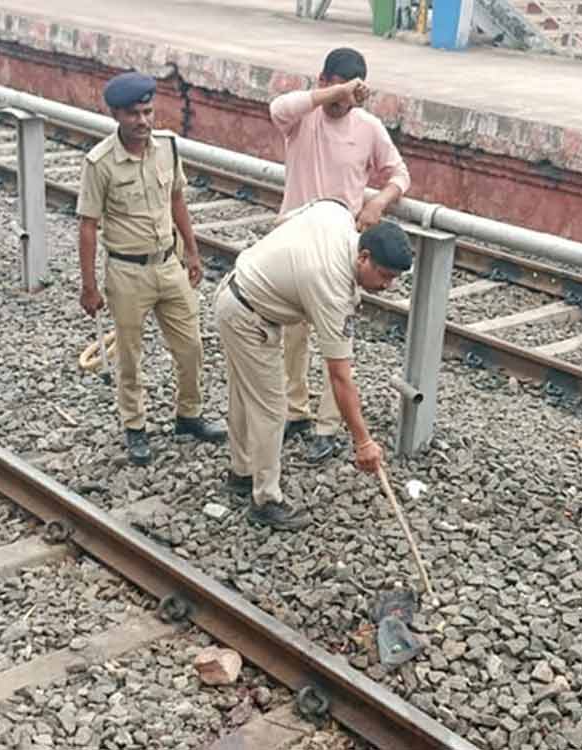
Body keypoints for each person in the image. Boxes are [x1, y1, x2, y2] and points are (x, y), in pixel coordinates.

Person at [213, 199, 412, 530]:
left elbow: (286, 220)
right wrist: (363, 441)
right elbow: (339, 377)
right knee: (272, 408)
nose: (387, 286)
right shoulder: (332, 289)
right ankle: (265, 499)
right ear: (363, 257)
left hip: (238, 294)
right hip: (249, 317)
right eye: (384, 275)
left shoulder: (338, 216)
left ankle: (241, 473)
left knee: (244, 395)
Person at [76, 71, 226, 466]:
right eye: (133, 114)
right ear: (115, 114)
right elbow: (88, 226)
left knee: (191, 346)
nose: (143, 121)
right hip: (127, 273)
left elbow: (177, 201)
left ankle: (189, 415)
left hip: (168, 265)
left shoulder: (168, 148)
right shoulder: (100, 163)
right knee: (130, 356)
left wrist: (192, 253)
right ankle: (135, 427)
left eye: (147, 111)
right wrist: (89, 287)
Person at [269, 47, 411, 464]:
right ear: (323, 81)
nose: (340, 105)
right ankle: (295, 409)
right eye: (335, 93)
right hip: (293, 244)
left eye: (349, 98)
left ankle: (329, 425)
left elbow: (400, 173)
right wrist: (331, 93)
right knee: (292, 335)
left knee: (337, 342)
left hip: (341, 250)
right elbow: (279, 106)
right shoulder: (301, 118)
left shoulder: (367, 128)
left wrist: (379, 202)